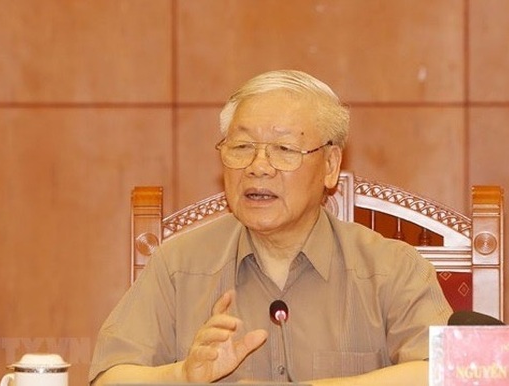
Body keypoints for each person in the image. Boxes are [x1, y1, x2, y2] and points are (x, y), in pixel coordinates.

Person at [89, 69, 452, 385]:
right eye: (242, 146)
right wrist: (182, 375)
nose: (258, 166)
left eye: (283, 148)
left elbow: (445, 374)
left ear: (329, 166)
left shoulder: (392, 270)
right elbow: (112, 376)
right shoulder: (177, 267)